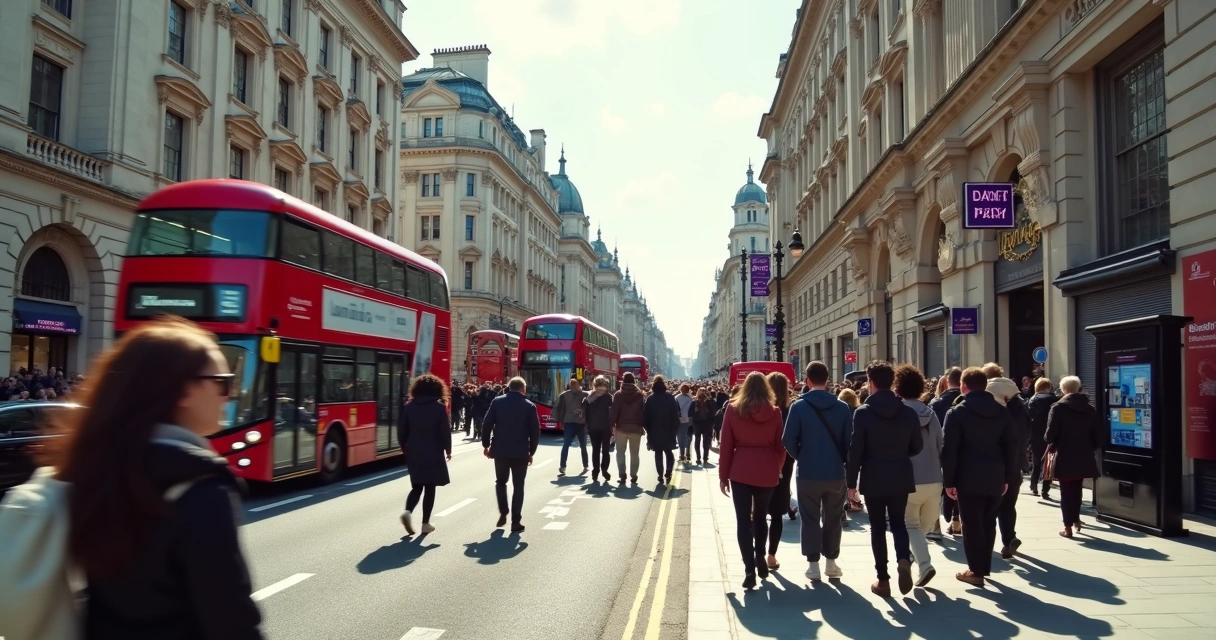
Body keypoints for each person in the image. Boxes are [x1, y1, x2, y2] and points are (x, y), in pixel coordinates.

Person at [38, 317, 263, 639]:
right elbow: (233, 622)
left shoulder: (95, 467)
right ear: (185, 390)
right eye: (222, 382)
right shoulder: (202, 487)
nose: (229, 394)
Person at [847, 360, 924, 597]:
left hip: (873, 476)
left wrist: (851, 484)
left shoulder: (863, 414)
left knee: (877, 528)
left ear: (870, 382)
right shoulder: (908, 412)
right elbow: (917, 446)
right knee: (898, 523)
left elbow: (855, 451)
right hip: (900, 474)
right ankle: (903, 558)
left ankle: (883, 579)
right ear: (892, 383)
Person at [941, 367, 1018, 587]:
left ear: (963, 386)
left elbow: (950, 450)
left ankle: (975, 570)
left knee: (971, 524)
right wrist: (1007, 477)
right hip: (995, 475)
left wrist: (949, 481)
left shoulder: (956, 413)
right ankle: (984, 566)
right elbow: (1010, 446)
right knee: (988, 522)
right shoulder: (1002, 411)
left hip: (967, 477)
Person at [782, 360, 852, 581]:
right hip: (835, 472)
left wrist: (801, 456)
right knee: (833, 518)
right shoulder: (842, 407)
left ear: (807, 381)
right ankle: (831, 563)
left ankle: (813, 566)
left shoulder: (799, 406)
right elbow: (849, 442)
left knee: (810, 518)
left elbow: (787, 439)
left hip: (808, 472)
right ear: (828, 380)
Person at [719, 372, 786, 590]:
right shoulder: (775, 412)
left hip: (740, 469)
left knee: (742, 521)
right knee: (760, 517)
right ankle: (760, 557)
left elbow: (726, 444)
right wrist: (777, 468)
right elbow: (780, 446)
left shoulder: (732, 408)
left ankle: (749, 569)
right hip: (766, 467)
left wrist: (723, 475)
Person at [895, 365, 944, 588]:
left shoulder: (898, 413)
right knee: (920, 528)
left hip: (908, 479)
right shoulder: (931, 414)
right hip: (934, 479)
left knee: (910, 526)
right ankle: (915, 556)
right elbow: (940, 445)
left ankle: (923, 564)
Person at [982, 362, 1030, 559]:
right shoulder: (1018, 401)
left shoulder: (986, 401)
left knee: (989, 507)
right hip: (1014, 462)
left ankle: (986, 549)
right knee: (1008, 504)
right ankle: (1009, 538)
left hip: (991, 463)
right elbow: (1027, 429)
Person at [1044, 375, 1101, 538]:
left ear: (1063, 390)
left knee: (1066, 491)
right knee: (1077, 489)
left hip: (1064, 456)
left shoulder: (1057, 408)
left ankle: (1067, 526)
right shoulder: (1089, 409)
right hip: (1084, 456)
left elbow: (1049, 436)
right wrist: (1088, 447)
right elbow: (1098, 435)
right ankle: (1075, 520)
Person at [481, 377, 541, 532]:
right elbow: (535, 432)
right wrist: (531, 451)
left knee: (500, 481)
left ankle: (503, 510)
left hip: (500, 450)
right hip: (520, 451)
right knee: (518, 485)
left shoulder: (497, 402)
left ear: (509, 387)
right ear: (523, 389)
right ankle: (516, 521)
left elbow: (486, 424)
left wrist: (486, 445)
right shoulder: (529, 406)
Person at [399, 373, 453, 535]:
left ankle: (407, 511)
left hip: (413, 451)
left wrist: (404, 446)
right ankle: (425, 523)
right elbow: (444, 431)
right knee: (430, 487)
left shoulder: (409, 406)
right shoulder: (438, 407)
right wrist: (448, 449)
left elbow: (402, 430)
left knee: (416, 486)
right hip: (433, 451)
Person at [764, 372, 797, 572]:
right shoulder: (790, 409)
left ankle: (758, 552)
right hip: (784, 463)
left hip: (762, 462)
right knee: (777, 514)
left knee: (758, 513)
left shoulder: (762, 409)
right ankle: (771, 555)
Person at [930, 366, 964, 536]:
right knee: (959, 485)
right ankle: (957, 520)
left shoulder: (936, 403)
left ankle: (935, 523)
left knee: (938, 488)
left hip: (938, 452)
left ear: (946, 381)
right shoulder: (965, 402)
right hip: (963, 453)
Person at [610, 372, 647, 486]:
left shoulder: (618, 395)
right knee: (634, 454)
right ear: (634, 381)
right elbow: (643, 412)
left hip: (621, 428)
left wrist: (612, 425)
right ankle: (634, 475)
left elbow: (614, 411)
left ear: (623, 381)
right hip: (636, 428)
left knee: (620, 453)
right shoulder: (640, 395)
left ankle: (622, 475)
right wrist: (643, 425)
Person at [644, 376, 681, 485]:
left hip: (654, 430)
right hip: (669, 429)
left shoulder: (650, 399)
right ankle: (668, 470)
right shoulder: (670, 397)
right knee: (668, 451)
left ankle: (660, 473)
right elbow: (675, 414)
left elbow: (645, 417)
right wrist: (675, 428)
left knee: (658, 452)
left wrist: (648, 430)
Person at [1026, 377, 1057, 499]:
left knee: (1036, 461)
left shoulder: (1032, 400)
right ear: (1048, 387)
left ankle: (1034, 485)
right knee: (1048, 463)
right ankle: (1045, 490)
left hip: (1035, 435)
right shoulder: (1053, 400)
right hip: (1049, 435)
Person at [554, 378, 589, 476]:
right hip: (580, 422)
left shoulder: (564, 395)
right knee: (583, 445)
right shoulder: (584, 394)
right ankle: (585, 465)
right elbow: (589, 404)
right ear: (577, 385)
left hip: (568, 422)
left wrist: (560, 420)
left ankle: (562, 466)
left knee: (566, 444)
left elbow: (558, 408)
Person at [582, 376, 614, 483]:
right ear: (606, 385)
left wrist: (587, 425)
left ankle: (595, 471)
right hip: (606, 427)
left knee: (595, 450)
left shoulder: (589, 398)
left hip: (593, 427)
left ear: (594, 385)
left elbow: (585, 414)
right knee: (605, 450)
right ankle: (604, 470)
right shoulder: (609, 397)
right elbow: (612, 414)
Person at [691, 390, 715, 465]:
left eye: (703, 395)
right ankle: (698, 457)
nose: (701, 398)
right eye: (700, 395)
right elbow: (690, 413)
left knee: (706, 441)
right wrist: (696, 410)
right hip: (697, 423)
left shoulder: (709, 402)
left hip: (706, 423)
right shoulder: (694, 402)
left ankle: (705, 457)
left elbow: (713, 412)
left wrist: (706, 407)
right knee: (697, 440)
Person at [675, 383, 695, 464]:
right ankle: (688, 453)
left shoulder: (676, 398)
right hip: (689, 421)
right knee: (688, 437)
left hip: (679, 421)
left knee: (680, 438)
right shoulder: (691, 399)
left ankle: (682, 455)